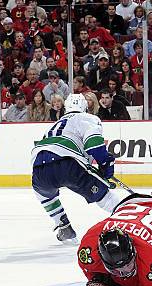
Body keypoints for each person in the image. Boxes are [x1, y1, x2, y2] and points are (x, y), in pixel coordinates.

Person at [31, 93, 120, 242]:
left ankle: (63, 226)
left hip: (39, 168)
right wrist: (106, 165)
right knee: (104, 197)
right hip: (68, 164)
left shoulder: (54, 124)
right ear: (85, 107)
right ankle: (126, 217)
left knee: (44, 195)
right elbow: (94, 146)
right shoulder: (89, 118)